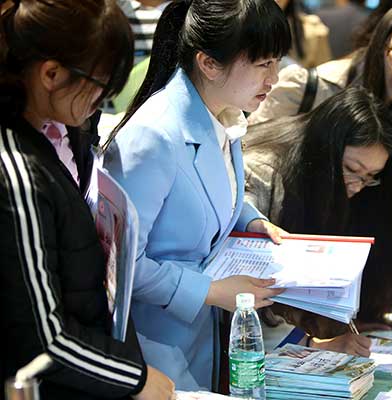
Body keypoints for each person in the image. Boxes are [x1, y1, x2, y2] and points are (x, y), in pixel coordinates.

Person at [103, 0, 292, 391]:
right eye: (262, 64)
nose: (274, 78)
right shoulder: (153, 135)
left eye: (276, 62)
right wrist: (210, 291)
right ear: (208, 63)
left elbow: (207, 191)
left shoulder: (221, 111)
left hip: (198, 331)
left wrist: (252, 219)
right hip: (151, 344)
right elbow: (123, 265)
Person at [0, 0, 173, 399]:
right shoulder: (17, 172)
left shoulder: (64, 126)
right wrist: (135, 377)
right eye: (99, 86)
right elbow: (44, 337)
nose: (102, 101)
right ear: (51, 74)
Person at [249, 0, 392, 268]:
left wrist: (390, 273)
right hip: (274, 236)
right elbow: (249, 159)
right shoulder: (308, 87)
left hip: (346, 250)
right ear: (381, 43)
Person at [245, 87, 392, 355]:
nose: (358, 186)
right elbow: (247, 290)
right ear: (326, 151)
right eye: (352, 170)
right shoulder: (263, 174)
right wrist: (311, 344)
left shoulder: (341, 184)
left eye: (371, 176)